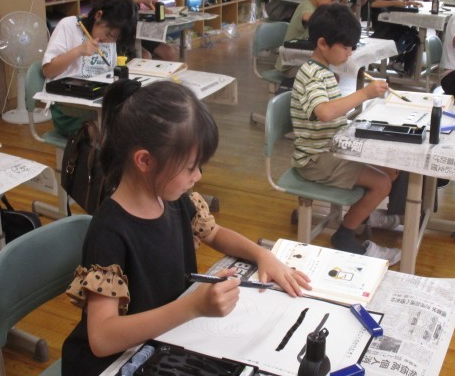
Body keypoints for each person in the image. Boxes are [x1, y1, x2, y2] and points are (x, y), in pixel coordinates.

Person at [61, 80, 312, 375]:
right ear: (144, 160)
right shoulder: (109, 231)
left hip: (166, 340)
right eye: (190, 167)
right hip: (117, 362)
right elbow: (102, 339)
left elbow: (214, 233)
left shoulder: (174, 200)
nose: (198, 176)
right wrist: (193, 306)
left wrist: (262, 255)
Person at [291, 3, 402, 265]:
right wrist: (364, 94)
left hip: (330, 148)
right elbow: (325, 112)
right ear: (322, 43)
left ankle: (363, 215)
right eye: (346, 47)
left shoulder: (323, 71)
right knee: (382, 183)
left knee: (390, 170)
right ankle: (345, 235)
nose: (350, 53)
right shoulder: (312, 76)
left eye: (352, 47)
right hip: (316, 159)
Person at [42, 0, 138, 136]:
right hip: (67, 109)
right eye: (108, 34)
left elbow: (109, 75)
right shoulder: (68, 26)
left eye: (115, 39)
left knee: (136, 118)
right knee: (113, 130)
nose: (108, 41)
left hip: (98, 103)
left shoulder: (109, 39)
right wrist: (78, 51)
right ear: (98, 15)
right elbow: (48, 70)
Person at [276, 0, 345, 76]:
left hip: (304, 60)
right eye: (332, 0)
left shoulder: (320, 9)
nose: (332, 5)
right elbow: (307, 17)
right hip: (290, 65)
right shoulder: (306, 6)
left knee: (332, 75)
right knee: (321, 76)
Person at [369, 0, 422, 75]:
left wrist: (408, 3)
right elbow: (373, 3)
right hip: (384, 29)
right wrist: (395, 2)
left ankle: (403, 66)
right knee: (409, 36)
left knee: (416, 36)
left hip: (394, 26)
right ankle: (396, 60)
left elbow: (397, 5)